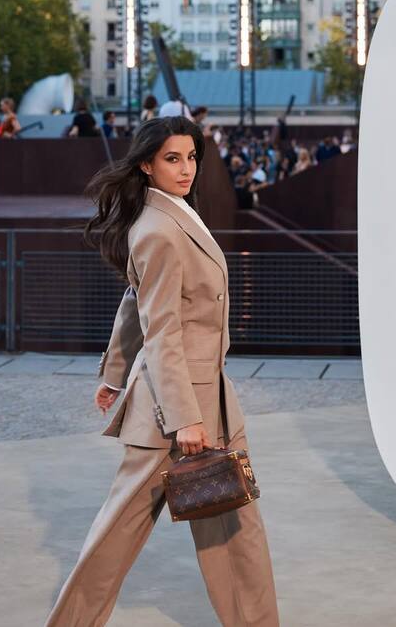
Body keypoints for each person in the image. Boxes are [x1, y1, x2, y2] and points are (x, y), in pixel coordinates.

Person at [44, 115, 279, 627]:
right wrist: (184, 419)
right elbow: (161, 329)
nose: (186, 168)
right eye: (173, 158)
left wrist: (113, 375)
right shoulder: (158, 229)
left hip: (210, 400)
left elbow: (135, 304)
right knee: (115, 540)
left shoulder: (176, 214)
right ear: (147, 164)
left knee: (237, 534)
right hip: (178, 413)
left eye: (191, 157)